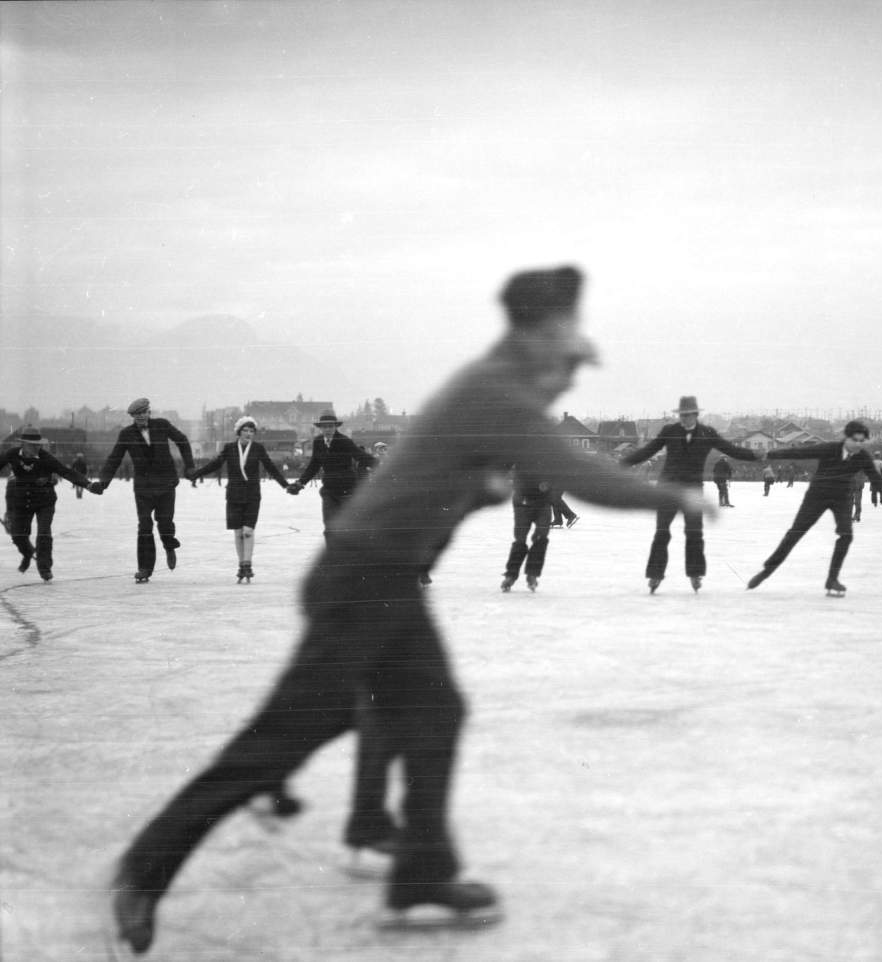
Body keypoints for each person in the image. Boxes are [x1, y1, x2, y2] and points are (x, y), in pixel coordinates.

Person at [109, 264, 710, 957]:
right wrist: (679, 499)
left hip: (381, 580)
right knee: (282, 738)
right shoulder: (498, 393)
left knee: (434, 712)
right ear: (541, 333)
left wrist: (475, 484)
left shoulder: (491, 386)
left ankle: (422, 876)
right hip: (363, 580)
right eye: (568, 347)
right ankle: (143, 870)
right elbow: (580, 474)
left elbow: (465, 471)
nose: (571, 375)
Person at [621, 396, 758, 592]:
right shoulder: (670, 431)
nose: (685, 419)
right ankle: (655, 574)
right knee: (662, 532)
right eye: (682, 415)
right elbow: (648, 451)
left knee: (694, 533)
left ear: (696, 414)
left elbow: (732, 449)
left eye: (688, 415)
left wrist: (755, 456)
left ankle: (695, 573)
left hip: (693, 489)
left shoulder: (707, 433)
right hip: (668, 488)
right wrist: (621, 463)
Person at [745, 420, 882, 595]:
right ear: (846, 438)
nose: (858, 444)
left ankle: (832, 579)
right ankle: (766, 571)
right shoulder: (829, 449)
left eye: (861, 441)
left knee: (846, 535)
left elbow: (876, 477)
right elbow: (799, 452)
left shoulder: (863, 456)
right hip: (817, 496)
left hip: (842, 498)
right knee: (796, 532)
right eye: (855, 440)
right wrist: (769, 454)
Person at [95, 399, 195, 583]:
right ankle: (145, 568)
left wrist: (190, 467)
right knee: (144, 526)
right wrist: (103, 482)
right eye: (137, 414)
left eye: (144, 412)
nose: (141, 416)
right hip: (143, 488)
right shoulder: (127, 434)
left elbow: (182, 440)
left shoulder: (162, 425)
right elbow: (114, 458)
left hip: (165, 484)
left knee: (164, 523)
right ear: (132, 416)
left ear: (149, 412)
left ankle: (168, 544)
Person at [189, 417, 290, 583]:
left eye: (251, 431)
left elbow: (270, 467)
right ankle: (241, 564)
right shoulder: (230, 448)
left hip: (252, 494)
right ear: (239, 432)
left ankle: (247, 564)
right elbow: (215, 464)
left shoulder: (258, 448)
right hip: (234, 494)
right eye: (245, 430)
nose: (248, 434)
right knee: (238, 532)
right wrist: (197, 474)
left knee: (248, 531)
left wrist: (286, 485)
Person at [0, 427, 97, 581]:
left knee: (44, 533)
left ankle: (44, 568)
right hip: (22, 500)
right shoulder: (12, 454)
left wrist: (88, 485)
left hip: (44, 501)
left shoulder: (46, 458)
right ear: (23, 444)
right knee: (18, 535)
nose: (37, 447)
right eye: (32, 444)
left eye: (38, 444)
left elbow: (66, 472)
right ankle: (28, 552)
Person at [287, 411, 377, 542]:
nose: (328, 429)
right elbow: (314, 464)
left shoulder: (344, 441)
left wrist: (384, 468)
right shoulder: (318, 442)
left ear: (336, 427)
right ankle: (333, 556)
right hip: (329, 490)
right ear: (320, 428)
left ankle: (351, 556)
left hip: (347, 489)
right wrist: (300, 483)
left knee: (349, 526)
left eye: (330, 426)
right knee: (329, 528)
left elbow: (361, 456)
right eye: (324, 427)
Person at [500, 470, 555, 591]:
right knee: (520, 539)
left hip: (543, 504)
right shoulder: (524, 457)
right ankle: (511, 575)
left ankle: (533, 574)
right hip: (523, 503)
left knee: (541, 537)